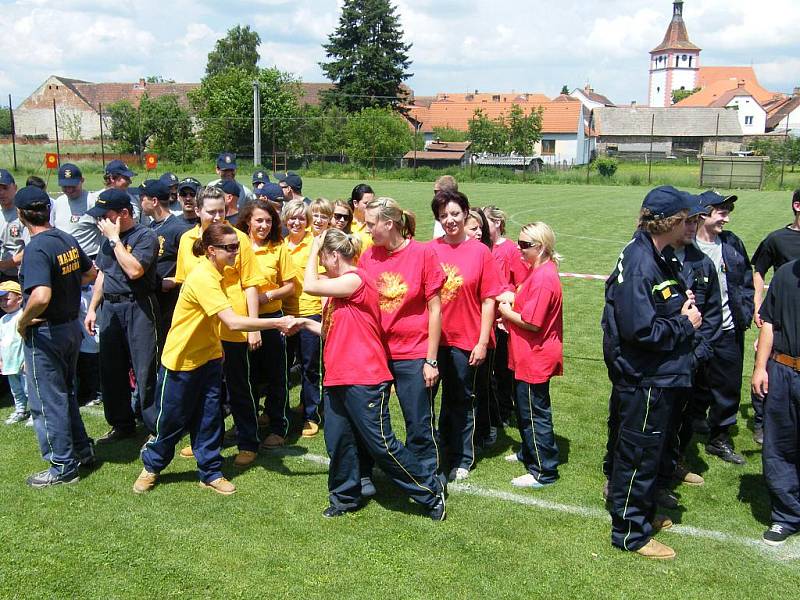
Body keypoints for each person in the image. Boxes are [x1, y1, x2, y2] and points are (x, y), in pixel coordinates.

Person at [293, 229, 446, 520]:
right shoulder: (343, 290)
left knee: (382, 445)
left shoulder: (356, 279)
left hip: (364, 377)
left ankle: (428, 490)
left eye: (324, 258)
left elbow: (310, 285)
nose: (323, 264)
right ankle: (344, 497)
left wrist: (313, 246)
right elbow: (337, 329)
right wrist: (304, 323)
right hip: (339, 376)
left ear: (334, 256)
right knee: (339, 441)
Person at [134, 223, 295, 495]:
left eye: (237, 246)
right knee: (172, 420)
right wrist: (276, 324)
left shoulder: (220, 273)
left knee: (209, 418)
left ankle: (210, 472)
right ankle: (151, 467)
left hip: (208, 357)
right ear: (211, 250)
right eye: (230, 247)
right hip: (181, 361)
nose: (236, 251)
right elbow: (231, 322)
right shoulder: (203, 278)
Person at [601, 186, 702, 560]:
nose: (693, 224)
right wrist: (686, 324)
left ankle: (640, 514)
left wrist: (680, 306)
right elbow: (640, 330)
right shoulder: (642, 260)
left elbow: (658, 307)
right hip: (644, 379)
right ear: (672, 221)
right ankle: (630, 532)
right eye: (688, 219)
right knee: (638, 455)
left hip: (659, 377)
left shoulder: (657, 255)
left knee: (646, 453)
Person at [174, 186, 266, 467]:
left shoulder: (239, 239)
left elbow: (250, 284)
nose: (216, 217)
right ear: (197, 210)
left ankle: (248, 441)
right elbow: (182, 285)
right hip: (202, 331)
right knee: (204, 391)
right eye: (211, 212)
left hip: (233, 327)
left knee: (239, 387)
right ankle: (203, 441)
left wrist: (254, 327)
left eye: (221, 212)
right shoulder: (187, 240)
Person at [359, 197, 445, 488]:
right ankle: (365, 475)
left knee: (418, 422)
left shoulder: (423, 254)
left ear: (389, 223)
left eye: (371, 224)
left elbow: (435, 309)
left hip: (414, 353)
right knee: (369, 421)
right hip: (375, 354)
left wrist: (431, 360)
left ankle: (427, 478)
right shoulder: (368, 256)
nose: (366, 229)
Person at [14, 185, 95, 487]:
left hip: (45, 332)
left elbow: (41, 295)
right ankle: (82, 450)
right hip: (70, 328)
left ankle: (62, 465)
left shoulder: (36, 247)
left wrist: (23, 322)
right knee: (66, 393)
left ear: (21, 215)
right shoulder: (65, 237)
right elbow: (90, 272)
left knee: (48, 401)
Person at [429, 189, 504, 482]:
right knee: (432, 401)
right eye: (444, 215)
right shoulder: (430, 249)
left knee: (462, 399)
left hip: (467, 339)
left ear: (466, 214)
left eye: (455, 214)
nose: (450, 220)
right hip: (435, 341)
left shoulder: (480, 252)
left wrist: (483, 341)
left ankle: (463, 457)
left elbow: (489, 299)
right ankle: (439, 449)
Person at [653, 196, 719, 510]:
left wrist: (699, 353)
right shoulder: (656, 258)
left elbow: (713, 315)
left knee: (684, 418)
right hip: (661, 360)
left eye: (696, 221)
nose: (693, 226)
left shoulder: (702, 263)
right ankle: (638, 481)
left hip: (691, 360)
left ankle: (673, 464)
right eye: (689, 221)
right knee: (653, 425)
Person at [85, 189, 160, 442]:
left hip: (138, 306)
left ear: (123, 213)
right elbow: (103, 275)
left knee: (145, 369)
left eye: (104, 216)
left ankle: (154, 427)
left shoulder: (145, 236)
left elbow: (135, 270)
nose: (100, 221)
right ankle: (121, 423)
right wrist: (93, 308)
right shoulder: (107, 239)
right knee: (111, 370)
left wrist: (116, 240)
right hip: (111, 308)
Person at [498, 222, 563, 488]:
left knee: (535, 413)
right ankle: (529, 451)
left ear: (542, 247)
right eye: (519, 243)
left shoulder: (544, 277)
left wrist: (505, 312)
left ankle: (543, 471)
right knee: (526, 410)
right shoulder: (538, 271)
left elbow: (533, 322)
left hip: (535, 356)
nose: (519, 249)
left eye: (525, 245)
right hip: (527, 354)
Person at [693, 191, 754, 464]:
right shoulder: (686, 246)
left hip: (729, 331)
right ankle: (689, 426)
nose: (726, 219)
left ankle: (719, 439)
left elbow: (747, 280)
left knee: (728, 387)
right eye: (722, 212)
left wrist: (748, 309)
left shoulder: (732, 244)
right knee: (693, 384)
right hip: (696, 333)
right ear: (704, 213)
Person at [236, 199, 297, 448]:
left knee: (276, 375)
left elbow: (291, 286)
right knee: (245, 376)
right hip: (242, 321)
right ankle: (247, 424)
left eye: (268, 220)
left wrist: (267, 296)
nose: (264, 225)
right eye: (259, 220)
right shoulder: (237, 246)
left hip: (272, 320)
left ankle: (278, 425)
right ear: (248, 221)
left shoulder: (278, 247)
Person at [751, 257, 800, 546]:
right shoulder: (785, 273)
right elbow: (769, 323)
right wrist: (760, 367)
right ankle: (786, 516)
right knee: (780, 445)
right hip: (782, 371)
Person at [749, 188, 800, 444]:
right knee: (767, 365)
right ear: (797, 206)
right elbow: (758, 270)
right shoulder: (777, 239)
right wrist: (759, 303)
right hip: (779, 313)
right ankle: (761, 422)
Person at [483, 205, 529, 426]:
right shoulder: (482, 247)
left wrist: (510, 311)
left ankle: (504, 409)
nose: (482, 227)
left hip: (503, 317)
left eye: (486, 222)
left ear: (498, 223)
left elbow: (521, 283)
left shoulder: (510, 249)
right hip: (485, 316)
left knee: (502, 367)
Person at [281, 199, 323, 437]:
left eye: (301, 218)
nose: (296, 222)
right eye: (292, 218)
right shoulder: (281, 244)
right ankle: (279, 410)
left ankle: (310, 414)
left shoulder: (314, 244)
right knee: (283, 366)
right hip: (284, 313)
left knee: (309, 366)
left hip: (309, 310)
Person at [139, 179, 193, 341]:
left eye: (143, 198)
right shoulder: (151, 227)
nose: (140, 202)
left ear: (154, 201)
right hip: (153, 298)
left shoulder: (179, 230)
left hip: (170, 302)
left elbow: (194, 267)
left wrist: (176, 281)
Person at [51, 163, 102, 259]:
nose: (69, 190)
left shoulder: (92, 202)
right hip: (65, 259)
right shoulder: (58, 202)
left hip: (89, 258)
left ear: (82, 180)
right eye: (65, 186)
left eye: (73, 186)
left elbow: (105, 232)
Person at [0, 280, 29, 425]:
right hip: (9, 363)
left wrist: (27, 360)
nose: (3, 303)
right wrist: (1, 360)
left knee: (28, 388)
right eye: (1, 300)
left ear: (19, 298)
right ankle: (20, 410)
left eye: (7, 299)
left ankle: (36, 413)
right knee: (16, 390)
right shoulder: (2, 320)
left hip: (22, 361)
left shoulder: (23, 315)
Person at [77, 282, 101, 407]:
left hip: (91, 337)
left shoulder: (92, 291)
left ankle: (95, 394)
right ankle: (90, 393)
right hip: (86, 340)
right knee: (87, 370)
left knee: (91, 370)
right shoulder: (79, 292)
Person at [0, 169, 26, 282]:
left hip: (21, 275)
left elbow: (31, 249)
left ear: (15, 188)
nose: (1, 192)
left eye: (5, 188)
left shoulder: (24, 214)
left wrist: (5, 264)